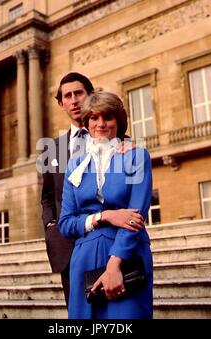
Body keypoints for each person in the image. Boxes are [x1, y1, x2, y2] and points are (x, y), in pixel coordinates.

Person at [40, 73, 143, 307]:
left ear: (90, 95)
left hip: (111, 243)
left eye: (79, 93)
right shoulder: (51, 149)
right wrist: (50, 227)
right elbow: (47, 197)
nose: (74, 100)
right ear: (61, 103)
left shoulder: (120, 142)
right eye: (68, 95)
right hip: (68, 248)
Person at [58, 91, 153, 319]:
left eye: (108, 117)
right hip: (84, 261)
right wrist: (105, 216)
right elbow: (66, 223)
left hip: (126, 255)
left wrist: (114, 266)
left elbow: (135, 217)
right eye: (94, 118)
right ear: (87, 122)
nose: (100, 124)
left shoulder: (136, 155)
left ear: (118, 122)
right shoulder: (75, 164)